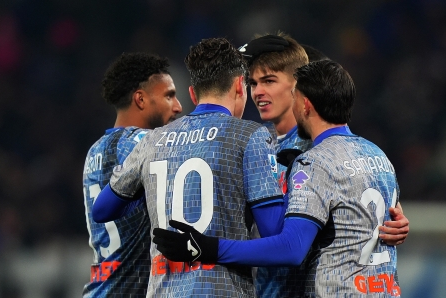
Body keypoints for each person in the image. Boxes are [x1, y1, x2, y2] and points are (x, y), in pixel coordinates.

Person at [153, 59, 402, 297]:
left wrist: (209, 249)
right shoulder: (378, 155)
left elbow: (292, 248)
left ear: (305, 105)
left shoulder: (315, 162)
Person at [92, 37, 285, 297]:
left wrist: (152, 194)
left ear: (193, 94)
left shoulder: (153, 140)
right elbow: (275, 235)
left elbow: (102, 209)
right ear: (240, 86)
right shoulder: (249, 136)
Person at [240, 33, 409, 297]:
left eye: (269, 81)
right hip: (263, 288)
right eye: (253, 83)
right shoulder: (253, 144)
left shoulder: (319, 147)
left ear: (299, 89)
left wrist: (392, 222)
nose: (258, 92)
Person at [82, 52, 182, 297]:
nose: (178, 106)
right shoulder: (147, 143)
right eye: (169, 95)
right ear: (140, 99)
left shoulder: (94, 151)